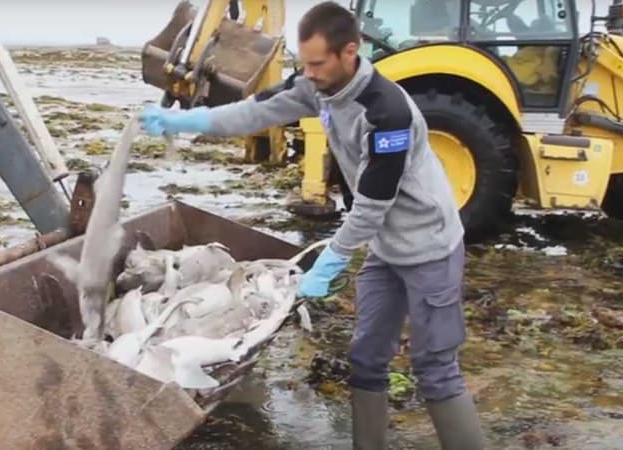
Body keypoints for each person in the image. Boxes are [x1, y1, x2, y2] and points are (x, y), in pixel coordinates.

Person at [139, 2, 484, 449]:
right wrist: (188, 120)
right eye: (305, 63)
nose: (310, 72)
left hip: (431, 249)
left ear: (349, 53)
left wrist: (333, 258)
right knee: (365, 359)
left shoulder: (387, 113)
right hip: (386, 248)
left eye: (318, 63)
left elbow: (374, 203)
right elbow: (255, 112)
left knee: (435, 369)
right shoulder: (316, 87)